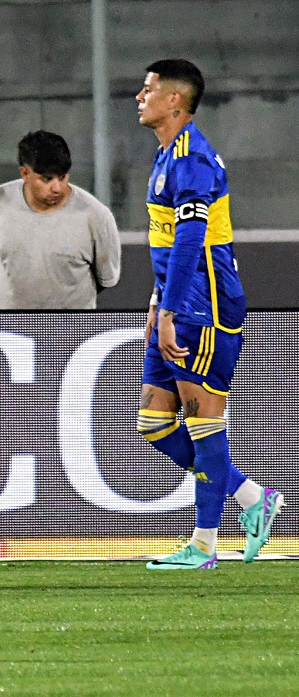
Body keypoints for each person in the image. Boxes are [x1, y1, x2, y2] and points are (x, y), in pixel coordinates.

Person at [135, 58, 283, 569]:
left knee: (204, 423)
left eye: (149, 89)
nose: (140, 96)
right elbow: (167, 240)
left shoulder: (192, 160)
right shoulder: (164, 157)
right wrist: (158, 300)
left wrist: (173, 308)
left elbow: (193, 242)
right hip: (177, 301)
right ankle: (251, 500)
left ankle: (203, 546)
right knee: (153, 421)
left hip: (205, 303)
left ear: (174, 100)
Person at [0, 130, 121, 309]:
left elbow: (106, 279)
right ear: (25, 173)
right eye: (47, 179)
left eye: (62, 177)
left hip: (72, 332)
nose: (57, 187)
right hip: (8, 330)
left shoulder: (97, 216)